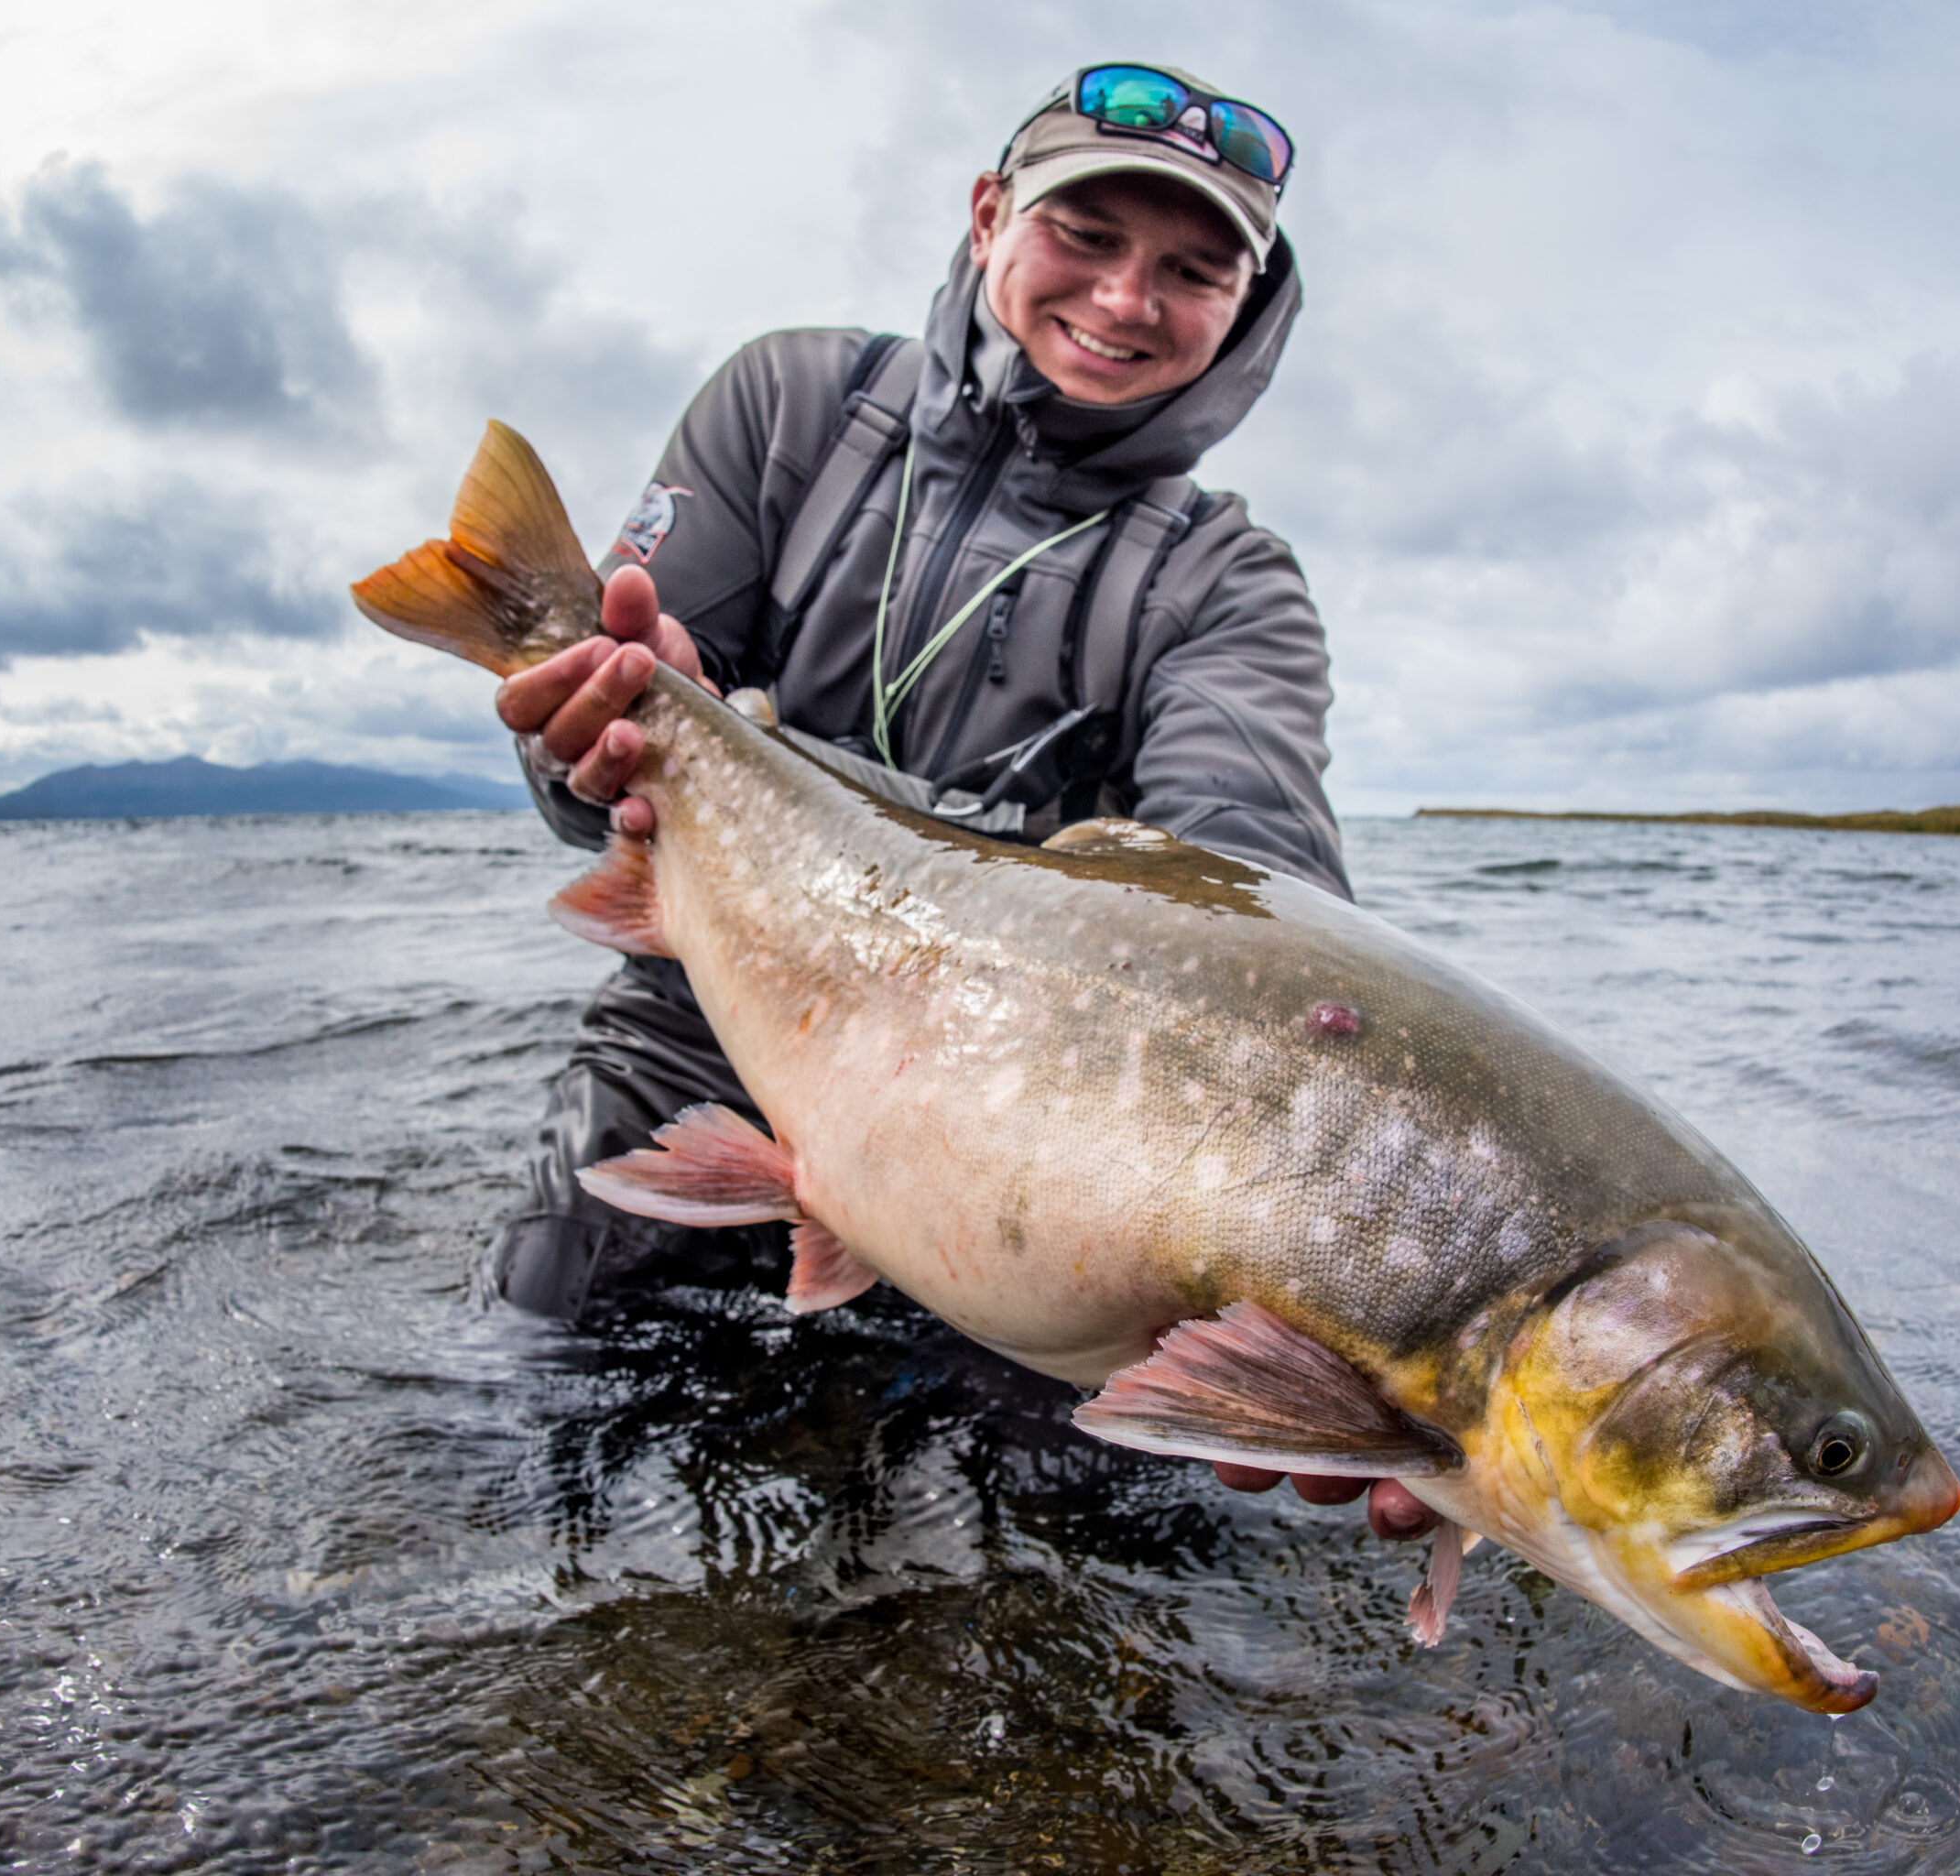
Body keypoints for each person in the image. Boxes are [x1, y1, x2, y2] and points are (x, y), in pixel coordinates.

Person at [486, 64, 1437, 1543]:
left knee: (1115, 1536)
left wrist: (1337, 1286)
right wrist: (591, 738)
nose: (1129, 300)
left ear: (1244, 316)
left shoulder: (1229, 586)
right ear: (991, 215)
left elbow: (1250, 893)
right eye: (1089, 236)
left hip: (1027, 1142)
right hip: (696, 1029)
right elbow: (600, 781)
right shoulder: (790, 404)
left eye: (1196, 272)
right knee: (529, 1419)